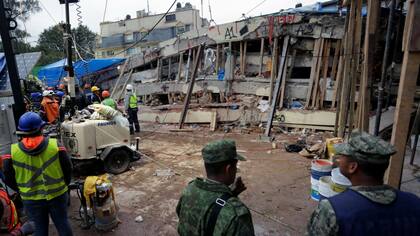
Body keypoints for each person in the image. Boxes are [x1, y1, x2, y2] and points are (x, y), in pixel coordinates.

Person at [306, 130, 420, 236]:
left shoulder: (333, 210)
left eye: (343, 156)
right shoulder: (414, 203)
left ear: (352, 167)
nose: (338, 159)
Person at [3, 112, 73, 236]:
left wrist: (21, 189)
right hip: (58, 195)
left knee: (39, 228)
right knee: (63, 223)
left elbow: (8, 177)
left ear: (21, 131)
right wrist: (64, 185)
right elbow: (68, 169)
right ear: (41, 128)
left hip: (31, 199)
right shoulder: (55, 146)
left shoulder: (11, 152)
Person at [176, 140, 255, 236]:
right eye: (235, 166)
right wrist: (230, 199)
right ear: (228, 169)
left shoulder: (190, 188)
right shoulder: (237, 214)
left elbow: (182, 215)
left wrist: (230, 194)